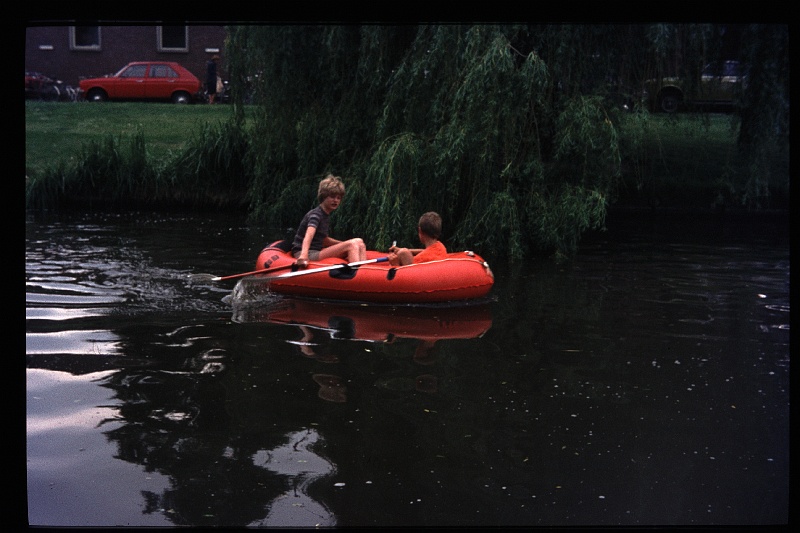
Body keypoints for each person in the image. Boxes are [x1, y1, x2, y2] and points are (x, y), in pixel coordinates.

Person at [292, 174, 366, 268]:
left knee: (359, 242)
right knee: (352, 245)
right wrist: (303, 255)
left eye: (338, 198)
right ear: (323, 196)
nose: (336, 200)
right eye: (332, 197)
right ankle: (357, 275)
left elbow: (324, 240)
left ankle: (365, 270)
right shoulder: (316, 215)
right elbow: (308, 236)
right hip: (306, 252)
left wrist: (343, 244)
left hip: (317, 250)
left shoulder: (325, 214)